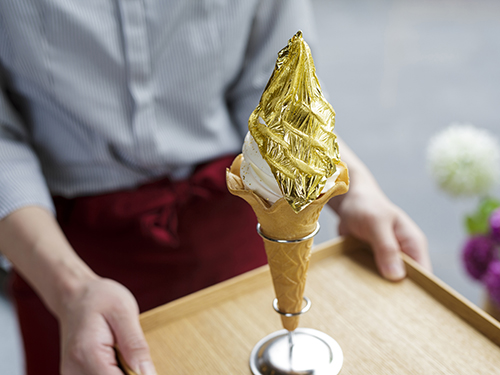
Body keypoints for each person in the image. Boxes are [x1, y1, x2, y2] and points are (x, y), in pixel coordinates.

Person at [0, 1, 431, 374]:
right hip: (63, 251)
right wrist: (69, 289)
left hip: (238, 214)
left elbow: (274, 93)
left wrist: (358, 193)